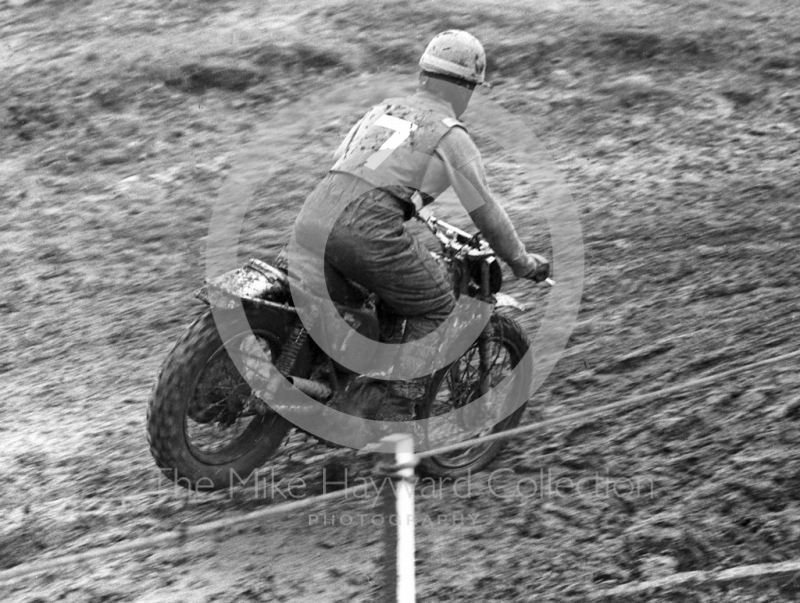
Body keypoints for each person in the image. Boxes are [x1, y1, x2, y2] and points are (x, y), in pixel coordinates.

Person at [288, 30, 550, 422]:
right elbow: (485, 209)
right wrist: (520, 260)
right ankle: (392, 412)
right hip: (366, 227)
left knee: (361, 295)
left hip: (314, 212)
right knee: (441, 307)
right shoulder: (450, 133)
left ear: (424, 75)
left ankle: (333, 373)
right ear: (465, 88)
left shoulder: (382, 110)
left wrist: (413, 203)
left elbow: (347, 162)